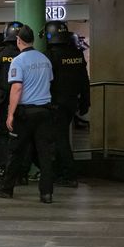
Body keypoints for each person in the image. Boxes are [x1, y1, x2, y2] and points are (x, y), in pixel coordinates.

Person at [0, 25, 56, 204]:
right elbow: (49, 82)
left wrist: (10, 114)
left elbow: (17, 88)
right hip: (44, 111)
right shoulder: (45, 60)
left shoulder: (18, 61)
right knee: (44, 154)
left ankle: (6, 187)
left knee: (15, 151)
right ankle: (46, 193)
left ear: (19, 40)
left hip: (25, 113)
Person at [41, 21, 90, 188]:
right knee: (60, 138)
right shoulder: (77, 54)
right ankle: (62, 172)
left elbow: (47, 81)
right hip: (71, 102)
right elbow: (84, 80)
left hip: (55, 104)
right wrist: (85, 101)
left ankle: (68, 174)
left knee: (59, 140)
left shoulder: (50, 55)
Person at [0, 22, 23, 173]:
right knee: (22, 135)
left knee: (2, 135)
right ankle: (21, 170)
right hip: (23, 101)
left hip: (2, 100)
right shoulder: (25, 55)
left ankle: (4, 168)